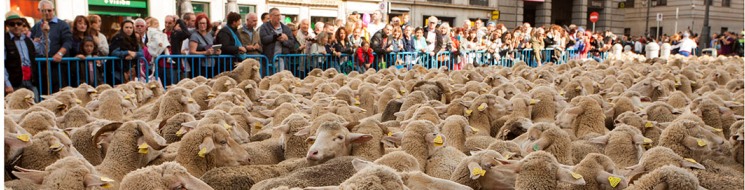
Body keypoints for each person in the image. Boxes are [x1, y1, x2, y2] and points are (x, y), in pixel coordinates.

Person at [31, 0, 73, 94]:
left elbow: (68, 41)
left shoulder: (62, 24)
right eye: (43, 11)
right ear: (39, 11)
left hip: (58, 66)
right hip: (42, 66)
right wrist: (33, 41)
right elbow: (30, 41)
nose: (46, 13)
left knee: (59, 93)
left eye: (49, 10)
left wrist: (60, 53)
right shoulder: (37, 26)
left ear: (53, 10)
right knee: (44, 93)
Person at [5, 10, 38, 96]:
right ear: (7, 26)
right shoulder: (4, 41)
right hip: (14, 83)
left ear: (22, 25)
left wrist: (46, 34)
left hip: (31, 80)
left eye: (18, 23)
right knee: (16, 108)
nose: (16, 26)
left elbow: (42, 51)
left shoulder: (28, 40)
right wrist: (7, 84)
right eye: (12, 24)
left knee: (35, 105)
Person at [109, 20, 144, 84]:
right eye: (126, 27)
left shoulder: (134, 39)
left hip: (132, 70)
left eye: (131, 28)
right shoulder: (117, 38)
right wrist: (127, 53)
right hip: (118, 70)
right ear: (122, 28)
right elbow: (114, 52)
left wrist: (134, 54)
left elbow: (141, 53)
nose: (129, 29)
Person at [190, 13, 223, 78]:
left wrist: (217, 51)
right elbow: (192, 52)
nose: (202, 25)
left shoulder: (209, 35)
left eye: (204, 23)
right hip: (200, 66)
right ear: (197, 24)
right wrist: (205, 53)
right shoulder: (194, 36)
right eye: (200, 23)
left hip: (212, 64)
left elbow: (211, 47)